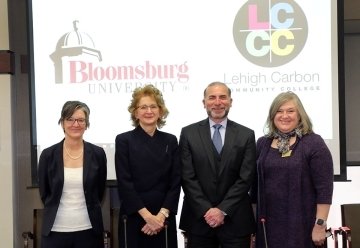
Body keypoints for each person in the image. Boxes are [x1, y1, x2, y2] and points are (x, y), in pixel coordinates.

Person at [179, 81, 257, 248]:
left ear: (230, 101)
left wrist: (222, 210)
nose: (217, 102)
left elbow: (246, 178)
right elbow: (187, 177)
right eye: (212, 97)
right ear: (204, 103)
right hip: (199, 220)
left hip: (236, 220)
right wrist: (207, 211)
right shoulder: (188, 133)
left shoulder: (246, 135)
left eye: (223, 97)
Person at [252, 91, 333, 248]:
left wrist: (320, 225)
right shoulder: (262, 143)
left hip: (303, 227)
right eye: (279, 111)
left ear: (300, 115)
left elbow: (324, 190)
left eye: (290, 111)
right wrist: (253, 227)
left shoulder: (314, 143)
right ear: (272, 115)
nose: (284, 116)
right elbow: (254, 189)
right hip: (267, 226)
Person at [115, 84, 181, 248]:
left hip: (163, 218)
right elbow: (124, 182)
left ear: (160, 111)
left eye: (153, 106)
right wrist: (148, 217)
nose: (149, 111)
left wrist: (160, 217)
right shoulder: (124, 140)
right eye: (143, 107)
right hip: (134, 217)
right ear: (135, 113)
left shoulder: (171, 140)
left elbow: (176, 181)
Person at [38, 100, 107, 248]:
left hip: (89, 231)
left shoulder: (98, 154)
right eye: (70, 119)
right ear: (62, 122)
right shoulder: (47, 155)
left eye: (81, 120)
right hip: (55, 231)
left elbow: (99, 191)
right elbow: (45, 193)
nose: (76, 124)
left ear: (86, 124)